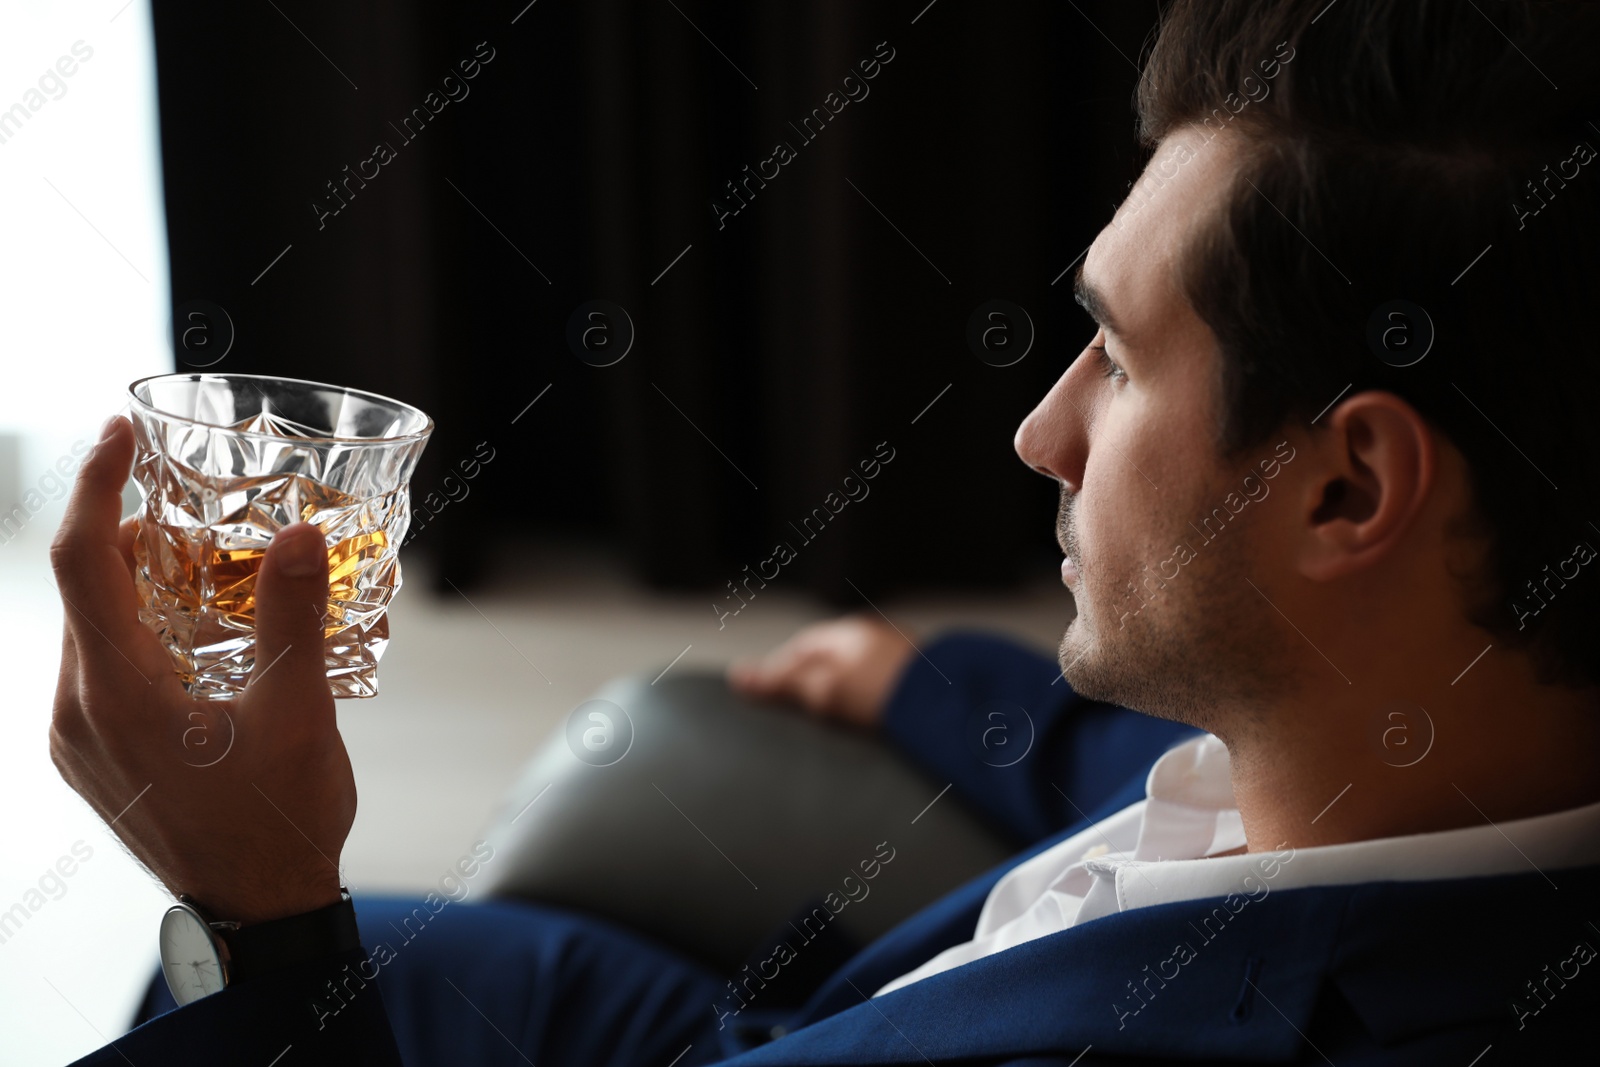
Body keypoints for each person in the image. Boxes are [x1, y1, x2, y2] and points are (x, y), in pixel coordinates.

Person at [51, 0, 1600, 1062]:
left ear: (1346, 491)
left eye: (1118, 362)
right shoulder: (1444, 760)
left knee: (217, 980)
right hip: (771, 1018)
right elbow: (1140, 769)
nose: (1040, 432)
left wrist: (268, 917)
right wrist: (925, 683)